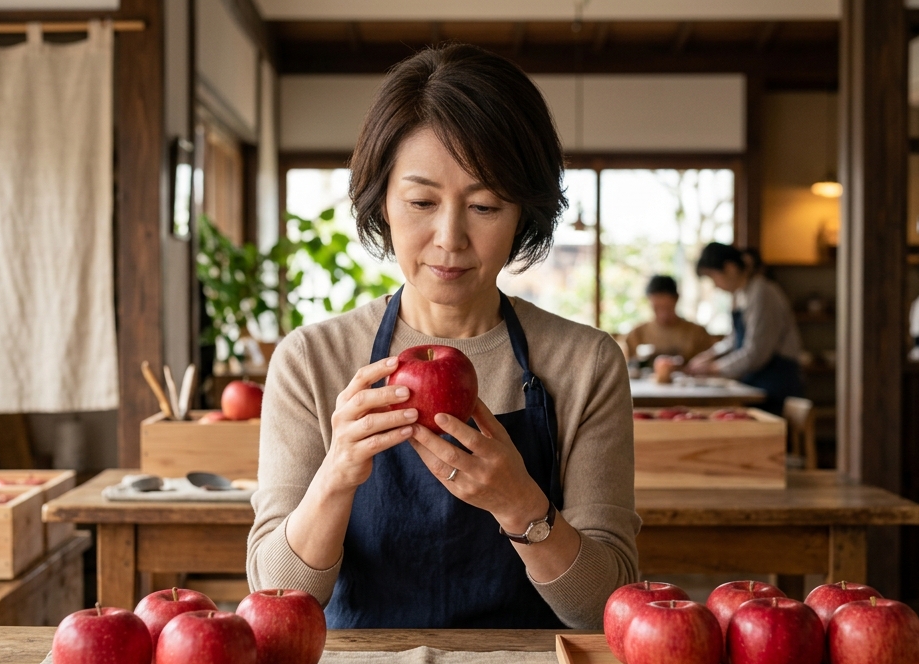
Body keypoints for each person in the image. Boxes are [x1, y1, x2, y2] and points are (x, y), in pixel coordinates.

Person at [246, 44, 639, 630]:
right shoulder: (311, 360)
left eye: (484, 205)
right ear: (382, 201)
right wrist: (336, 476)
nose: (450, 237)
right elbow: (273, 597)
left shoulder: (586, 364)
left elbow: (607, 608)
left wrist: (521, 505)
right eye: (421, 202)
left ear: (524, 215)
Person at [685, 243, 804, 414]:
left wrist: (714, 368)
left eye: (713, 277)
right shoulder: (742, 294)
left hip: (775, 383)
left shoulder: (762, 293)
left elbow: (756, 353)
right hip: (758, 381)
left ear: (730, 268)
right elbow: (734, 339)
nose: (716, 285)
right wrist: (709, 356)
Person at [621, 275, 716, 361]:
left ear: (677, 299)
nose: (663, 314)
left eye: (667, 308)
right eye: (657, 308)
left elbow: (710, 361)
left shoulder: (697, 333)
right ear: (649, 301)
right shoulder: (637, 334)